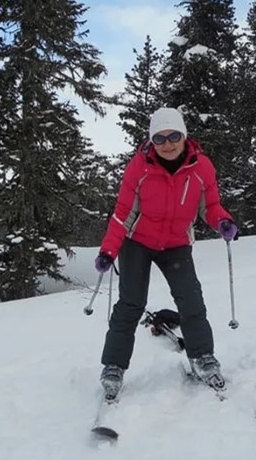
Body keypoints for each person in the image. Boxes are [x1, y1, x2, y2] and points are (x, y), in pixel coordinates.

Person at [94, 107, 239, 400]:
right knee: (131, 303)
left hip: (175, 243)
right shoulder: (139, 168)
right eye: (160, 138)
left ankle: (203, 358)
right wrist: (109, 251)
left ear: (184, 136)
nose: (168, 143)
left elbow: (210, 207)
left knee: (191, 300)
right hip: (138, 242)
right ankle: (113, 366)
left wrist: (222, 221)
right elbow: (122, 214)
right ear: (151, 141)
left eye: (174, 136)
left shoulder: (201, 168)